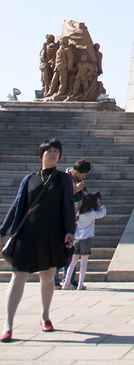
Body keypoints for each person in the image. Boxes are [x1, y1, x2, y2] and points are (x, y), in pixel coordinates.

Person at [0, 139, 76, 341]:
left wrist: (70, 231)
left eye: (56, 151)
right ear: (41, 154)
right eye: (49, 151)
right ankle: (8, 325)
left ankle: (45, 316)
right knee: (18, 277)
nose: (53, 154)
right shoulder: (30, 179)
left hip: (53, 235)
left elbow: (69, 205)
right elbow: (17, 205)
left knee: (47, 277)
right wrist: (3, 231)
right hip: (27, 234)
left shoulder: (64, 179)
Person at [56, 160, 91, 287]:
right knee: (60, 249)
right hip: (62, 219)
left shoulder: (77, 180)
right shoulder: (63, 178)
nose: (84, 177)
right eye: (84, 175)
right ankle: (55, 280)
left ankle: (70, 278)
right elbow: (58, 197)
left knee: (71, 250)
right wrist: (74, 190)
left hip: (74, 218)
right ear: (76, 172)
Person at [63, 191, 106, 290]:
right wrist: (100, 205)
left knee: (73, 262)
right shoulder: (92, 214)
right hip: (86, 239)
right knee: (83, 263)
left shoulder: (79, 214)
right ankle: (80, 284)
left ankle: (66, 282)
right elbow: (103, 213)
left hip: (77, 239)